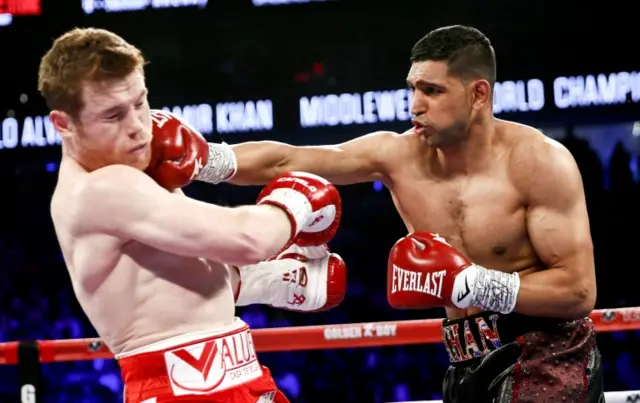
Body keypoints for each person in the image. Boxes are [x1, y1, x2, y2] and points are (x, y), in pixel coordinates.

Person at [198, 25, 604, 402]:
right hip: (463, 357)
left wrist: (474, 284)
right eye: (412, 88)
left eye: (432, 90)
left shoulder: (538, 162)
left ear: (479, 94)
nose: (415, 105)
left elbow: (579, 291)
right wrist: (202, 158)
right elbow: (286, 159)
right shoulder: (398, 155)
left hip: (548, 354)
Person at [39, 27, 346, 403]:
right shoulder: (101, 189)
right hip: (178, 387)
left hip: (237, 372)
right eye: (113, 116)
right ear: (63, 124)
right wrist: (298, 200)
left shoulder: (132, 165)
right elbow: (247, 240)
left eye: (140, 103)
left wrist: (263, 281)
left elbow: (163, 278)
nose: (137, 127)